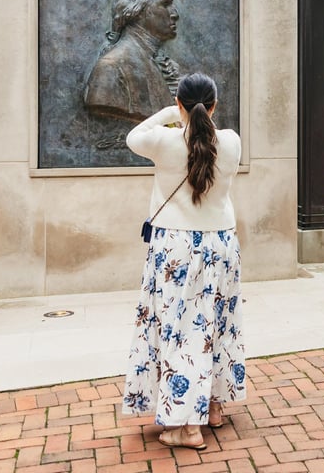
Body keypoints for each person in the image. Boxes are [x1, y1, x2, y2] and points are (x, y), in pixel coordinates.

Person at [122, 72, 244, 450]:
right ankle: (212, 406)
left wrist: (166, 113)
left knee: (182, 329)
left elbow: (132, 137)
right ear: (215, 106)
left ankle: (186, 427)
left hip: (176, 247)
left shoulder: (165, 142)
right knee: (216, 324)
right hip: (221, 243)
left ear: (180, 106)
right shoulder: (232, 142)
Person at [85, 0, 182, 122]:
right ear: (137, 11)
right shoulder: (111, 68)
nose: (175, 14)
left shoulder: (154, 62)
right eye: (165, 4)